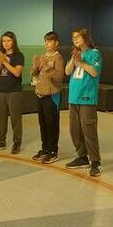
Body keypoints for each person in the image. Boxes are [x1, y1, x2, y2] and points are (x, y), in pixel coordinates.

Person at [64, 28, 102, 177]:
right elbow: (67, 72)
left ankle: (95, 161)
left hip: (87, 98)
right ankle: (82, 157)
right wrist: (74, 60)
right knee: (74, 130)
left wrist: (81, 62)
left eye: (77, 37)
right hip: (73, 98)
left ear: (86, 38)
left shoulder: (95, 53)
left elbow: (94, 72)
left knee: (88, 130)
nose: (74, 39)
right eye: (73, 37)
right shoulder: (76, 53)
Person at [0, 31, 25, 154]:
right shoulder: (1, 55)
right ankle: (1, 141)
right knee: (0, 118)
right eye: (4, 41)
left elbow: (17, 73)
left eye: (8, 41)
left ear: (13, 42)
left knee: (15, 118)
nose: (6, 43)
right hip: (1, 91)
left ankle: (17, 142)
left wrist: (4, 62)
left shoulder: (18, 55)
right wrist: (0, 62)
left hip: (14, 91)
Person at [31, 31, 65, 164]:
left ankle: (53, 151)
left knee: (51, 124)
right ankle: (45, 148)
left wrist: (47, 67)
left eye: (50, 41)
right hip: (40, 95)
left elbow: (59, 77)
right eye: (46, 41)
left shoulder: (58, 58)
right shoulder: (44, 56)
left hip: (51, 96)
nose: (47, 43)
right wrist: (35, 66)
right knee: (43, 124)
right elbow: (36, 74)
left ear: (56, 43)